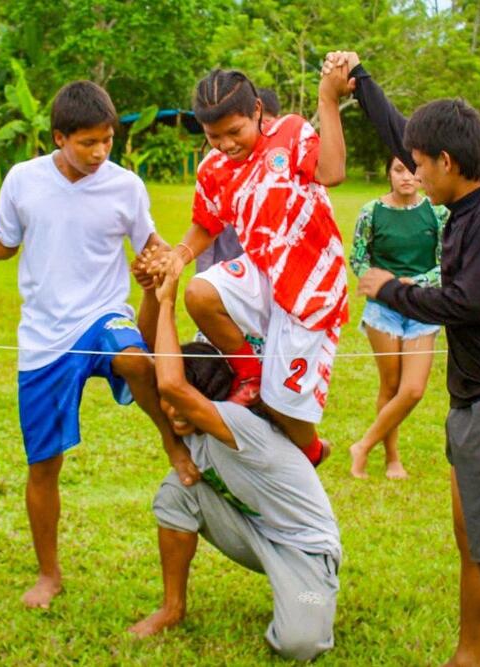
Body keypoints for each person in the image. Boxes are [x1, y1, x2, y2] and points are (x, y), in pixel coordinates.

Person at [331, 51, 480, 666]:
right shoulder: (464, 206)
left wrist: (386, 287)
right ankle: (466, 657)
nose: (414, 173)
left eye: (422, 165)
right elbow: (404, 134)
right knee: (471, 543)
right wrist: (362, 83)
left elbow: (466, 301)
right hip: (475, 406)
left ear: (449, 163)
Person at [0, 80, 200, 610]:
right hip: (44, 335)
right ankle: (49, 574)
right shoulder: (23, 180)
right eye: (87, 143)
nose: (99, 153)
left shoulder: (126, 187)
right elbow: (4, 243)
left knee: (133, 358)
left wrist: (163, 259)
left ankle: (172, 440)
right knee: (43, 464)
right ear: (59, 137)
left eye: (107, 142)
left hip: (103, 313)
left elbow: (150, 245)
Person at [128, 260, 341, 662]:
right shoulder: (197, 425)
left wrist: (171, 301)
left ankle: (313, 594)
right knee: (178, 492)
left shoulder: (238, 423)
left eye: (180, 407)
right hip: (253, 533)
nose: (171, 412)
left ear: (206, 400)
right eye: (167, 407)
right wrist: (152, 298)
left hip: (304, 552)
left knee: (300, 645)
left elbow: (173, 383)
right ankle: (173, 608)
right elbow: (161, 368)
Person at [146, 67, 350, 465]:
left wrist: (328, 99)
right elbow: (207, 223)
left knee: (284, 407)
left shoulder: (290, 135)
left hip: (311, 286)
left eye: (234, 132)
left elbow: (333, 172)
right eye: (213, 136)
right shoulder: (213, 169)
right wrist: (179, 255)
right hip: (261, 272)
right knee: (199, 293)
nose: (225, 144)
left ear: (257, 110)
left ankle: (312, 452)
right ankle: (250, 374)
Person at [348, 155, 447, 479]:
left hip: (422, 306)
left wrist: (416, 282)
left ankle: (363, 445)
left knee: (413, 388)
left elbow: (447, 262)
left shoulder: (437, 212)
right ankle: (392, 458)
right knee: (389, 384)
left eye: (410, 170)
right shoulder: (371, 212)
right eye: (398, 170)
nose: (406, 177)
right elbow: (358, 258)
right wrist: (381, 282)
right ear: (389, 175)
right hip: (383, 309)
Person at [193, 89, 281, 276]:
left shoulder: (283, 172)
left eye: (266, 123)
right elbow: (206, 230)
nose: (228, 144)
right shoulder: (217, 171)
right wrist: (204, 276)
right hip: (227, 271)